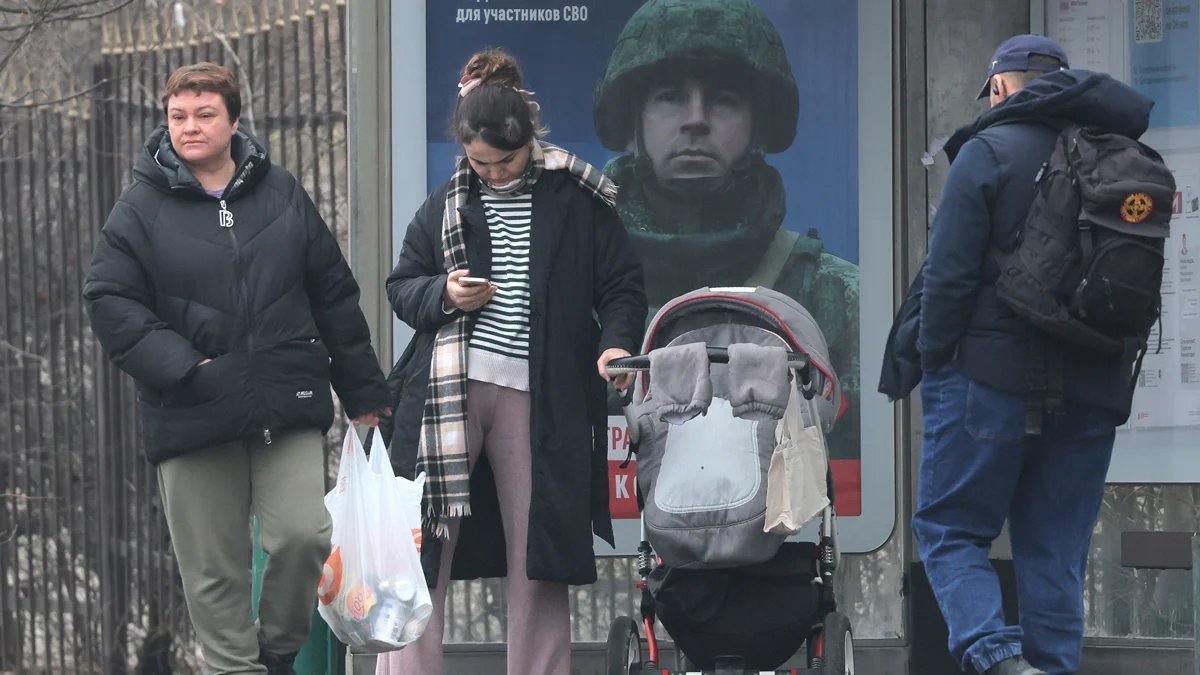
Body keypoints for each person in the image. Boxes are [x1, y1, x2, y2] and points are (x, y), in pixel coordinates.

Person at [82, 62, 390, 675]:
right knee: (213, 573)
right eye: (177, 117)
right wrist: (187, 366)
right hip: (192, 409)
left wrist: (361, 388)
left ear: (234, 121)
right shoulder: (140, 206)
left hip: (286, 398)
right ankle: (236, 668)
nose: (189, 128)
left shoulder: (281, 193)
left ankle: (277, 653)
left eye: (203, 115)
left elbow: (332, 293)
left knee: (303, 536)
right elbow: (108, 299)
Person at [377, 49, 646, 675]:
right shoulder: (446, 201)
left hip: (540, 396)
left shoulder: (577, 199)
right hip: (451, 392)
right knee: (423, 547)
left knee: (539, 552)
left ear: (531, 141)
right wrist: (444, 293)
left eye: (506, 161)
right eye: (479, 163)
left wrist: (615, 343)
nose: (493, 174)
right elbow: (402, 286)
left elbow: (622, 287)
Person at [913, 35, 1151, 675]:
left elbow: (948, 280)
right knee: (1054, 554)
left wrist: (935, 362)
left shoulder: (986, 152)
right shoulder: (1122, 159)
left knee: (951, 531)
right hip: (1092, 391)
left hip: (986, 385)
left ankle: (996, 658)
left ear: (998, 86)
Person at [592, 0, 860, 462]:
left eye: (724, 99)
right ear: (633, 126)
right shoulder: (578, 287)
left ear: (759, 127)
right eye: (669, 97)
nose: (696, 118)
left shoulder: (836, 294)